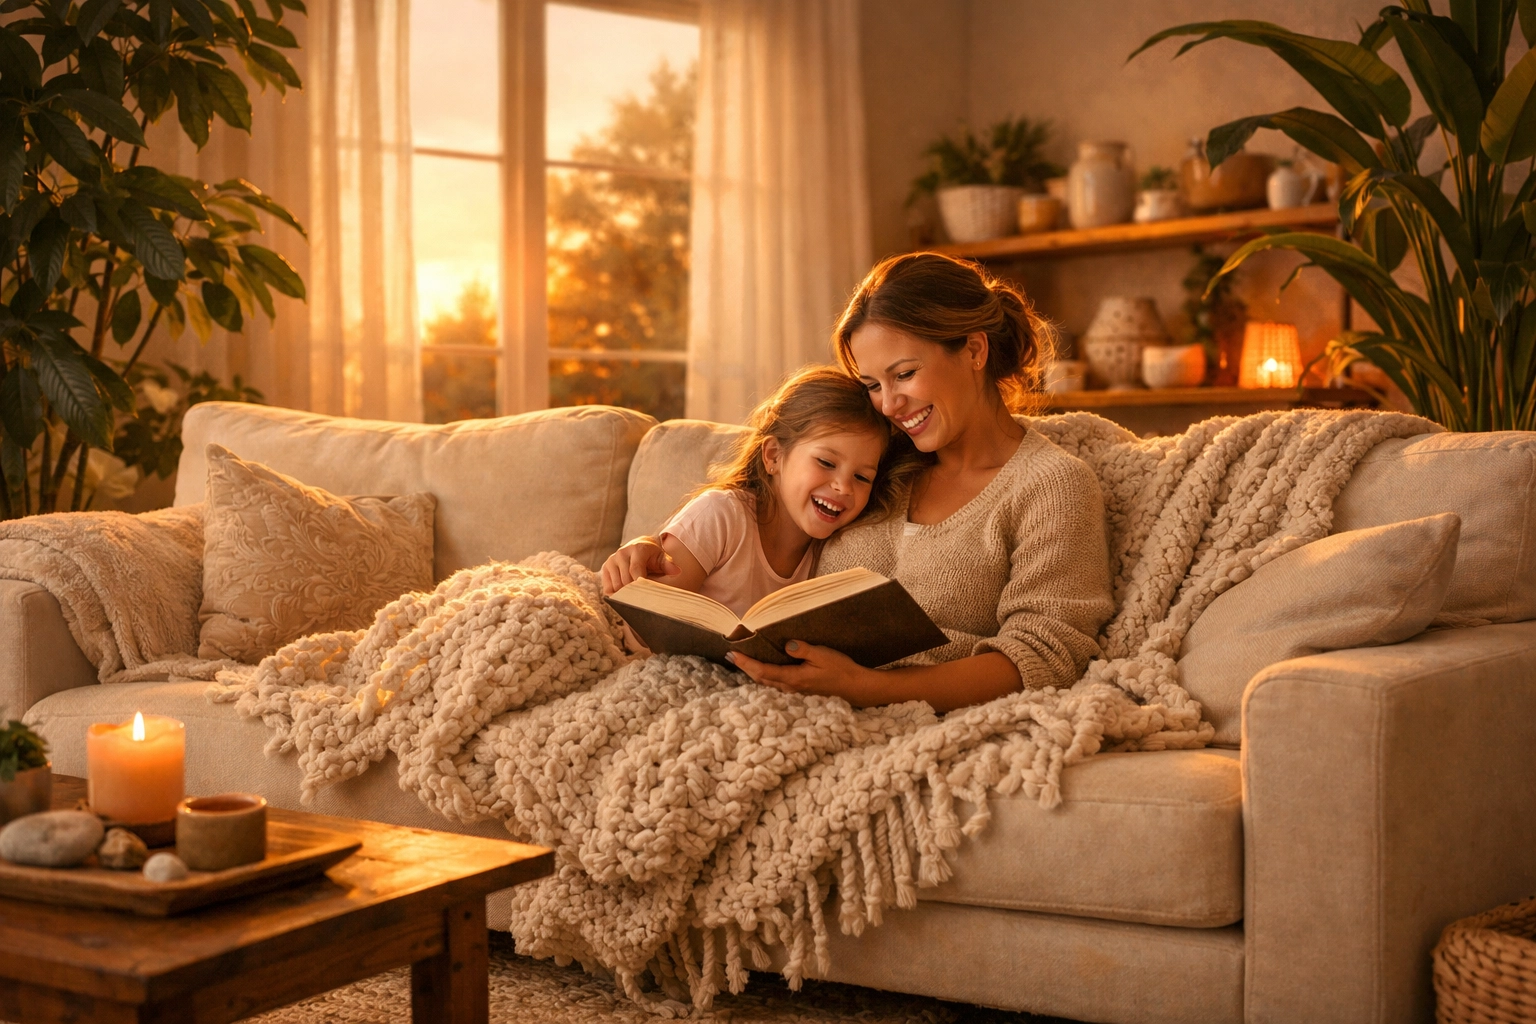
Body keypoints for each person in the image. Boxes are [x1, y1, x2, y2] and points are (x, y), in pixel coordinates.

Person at [609, 253, 1115, 713]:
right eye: (873, 385)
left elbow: (1046, 656)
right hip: (784, 704)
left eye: (905, 374)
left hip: (911, 717)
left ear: (975, 350)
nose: (889, 405)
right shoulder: (880, 461)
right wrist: (654, 549)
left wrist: (870, 689)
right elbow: (769, 510)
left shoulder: (1052, 487)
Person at [601, 365, 919, 617]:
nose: (843, 486)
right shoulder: (720, 515)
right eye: (826, 462)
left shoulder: (835, 553)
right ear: (774, 456)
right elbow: (647, 625)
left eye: (862, 477)